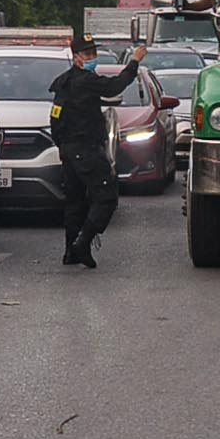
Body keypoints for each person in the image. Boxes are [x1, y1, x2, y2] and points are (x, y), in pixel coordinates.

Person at [50, 33, 148, 268]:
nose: (92, 57)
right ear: (76, 57)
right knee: (106, 197)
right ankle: (82, 243)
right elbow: (114, 86)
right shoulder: (85, 81)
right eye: (87, 54)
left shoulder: (64, 82)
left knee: (76, 201)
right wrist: (134, 62)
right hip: (86, 149)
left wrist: (62, 146)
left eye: (94, 53)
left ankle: (71, 252)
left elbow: (55, 117)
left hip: (70, 150)